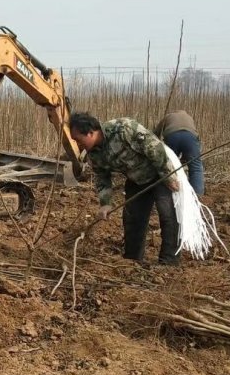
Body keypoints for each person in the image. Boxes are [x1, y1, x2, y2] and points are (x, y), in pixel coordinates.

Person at [69, 111, 180, 266]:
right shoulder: (93, 155)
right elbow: (102, 178)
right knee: (133, 219)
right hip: (135, 180)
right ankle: (132, 261)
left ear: (90, 132)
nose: (77, 145)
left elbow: (155, 149)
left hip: (158, 174)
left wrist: (168, 176)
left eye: (78, 140)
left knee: (168, 216)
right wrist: (105, 203)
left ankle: (169, 262)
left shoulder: (123, 129)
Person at [154, 110, 205, 196]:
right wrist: (188, 158)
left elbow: (155, 134)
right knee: (195, 167)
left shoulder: (168, 116)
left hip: (171, 136)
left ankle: (169, 193)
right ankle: (197, 195)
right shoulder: (189, 117)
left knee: (169, 166)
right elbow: (196, 140)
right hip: (190, 137)